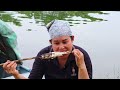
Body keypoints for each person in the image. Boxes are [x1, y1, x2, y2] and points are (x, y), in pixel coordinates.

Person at [3, 19, 92, 79]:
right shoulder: (43, 55)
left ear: (72, 39)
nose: (61, 47)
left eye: (65, 42)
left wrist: (81, 65)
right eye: (56, 43)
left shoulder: (82, 55)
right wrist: (15, 74)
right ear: (51, 42)